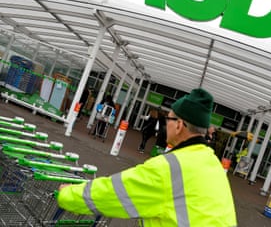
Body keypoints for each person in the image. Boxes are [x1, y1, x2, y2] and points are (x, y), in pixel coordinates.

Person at [57, 88, 237, 226]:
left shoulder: (170, 168)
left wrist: (67, 194)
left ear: (179, 125)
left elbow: (114, 193)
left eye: (169, 119)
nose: (165, 123)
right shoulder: (212, 164)